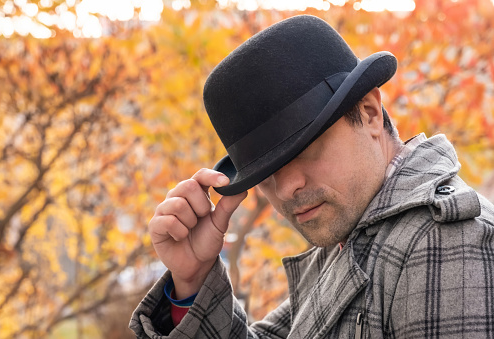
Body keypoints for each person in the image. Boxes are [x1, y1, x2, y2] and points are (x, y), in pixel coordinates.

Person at [129, 15, 494, 338]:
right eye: (267, 173)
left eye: (305, 151)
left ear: (368, 112)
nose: (287, 189)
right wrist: (192, 279)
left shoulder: (443, 241)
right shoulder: (350, 232)